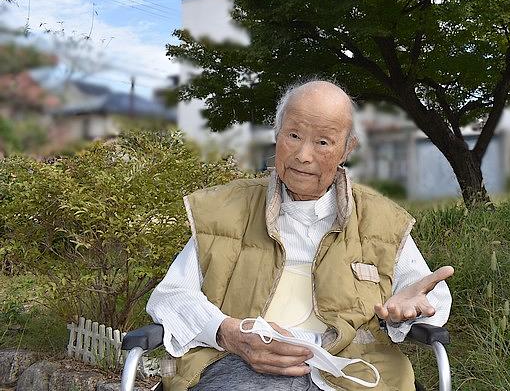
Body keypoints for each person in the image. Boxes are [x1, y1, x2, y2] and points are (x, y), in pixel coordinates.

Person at [147, 80, 453, 391]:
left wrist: (403, 314)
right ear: (277, 136)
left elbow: (426, 298)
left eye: (323, 142)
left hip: (353, 371)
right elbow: (172, 295)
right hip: (238, 365)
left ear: (348, 149)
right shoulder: (224, 210)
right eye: (293, 136)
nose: (303, 155)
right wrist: (226, 332)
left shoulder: (383, 221)